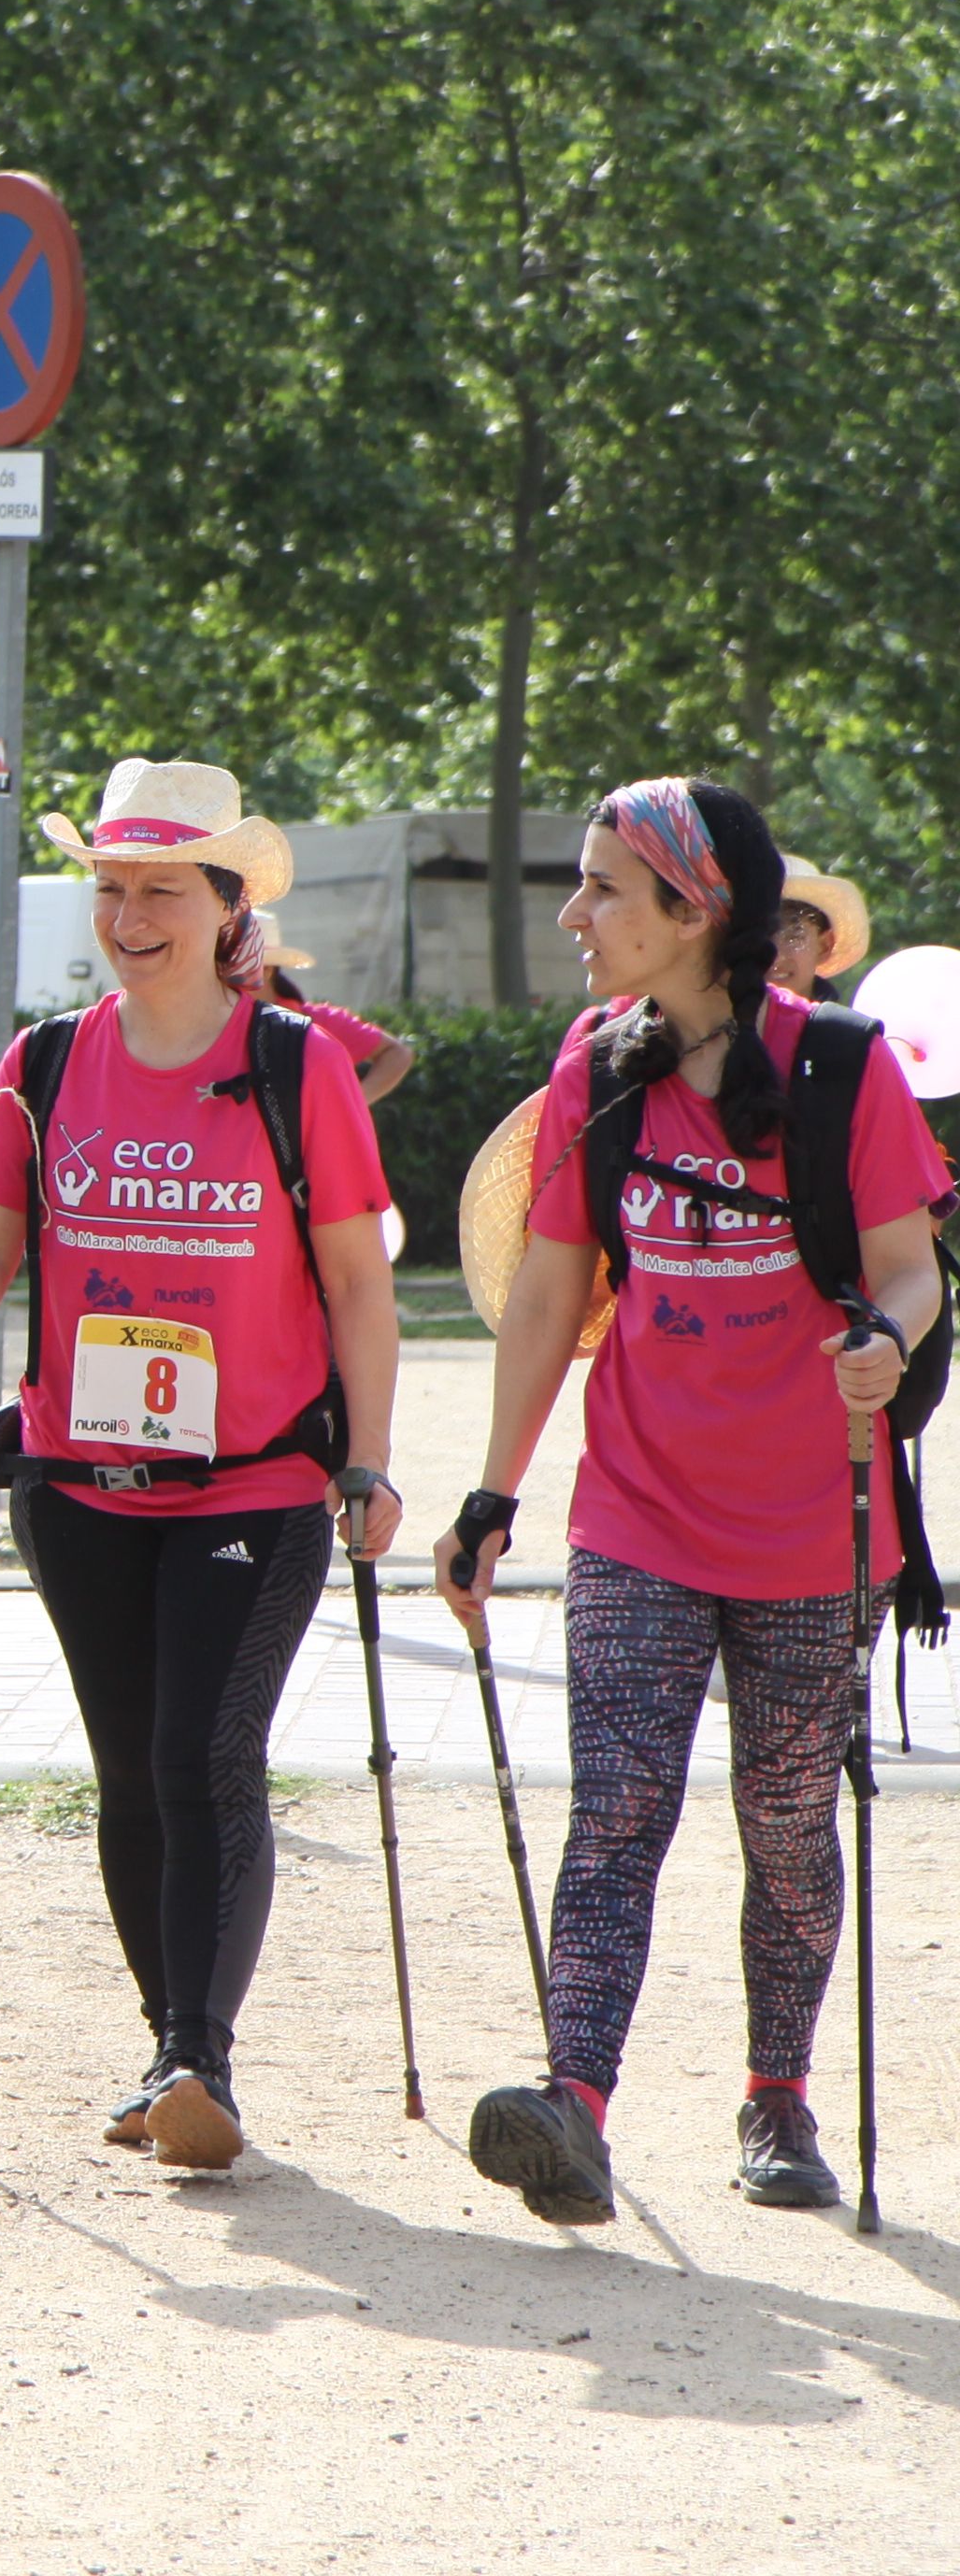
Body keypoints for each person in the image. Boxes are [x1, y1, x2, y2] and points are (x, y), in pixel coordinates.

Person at [0, 758, 402, 2173]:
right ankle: (168, 2044)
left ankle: (200, 2057)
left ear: (228, 905)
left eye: (161, 890)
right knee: (129, 1773)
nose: (129, 916)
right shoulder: (46, 1064)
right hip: (80, 1482)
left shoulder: (296, 1069)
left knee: (204, 1755)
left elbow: (360, 1284)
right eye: (110, 889)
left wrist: (370, 1461)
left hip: (254, 1486)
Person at [444, 779, 948, 2228]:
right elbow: (550, 1293)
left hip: (815, 1524)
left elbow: (913, 1271)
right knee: (616, 1810)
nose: (577, 913)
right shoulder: (595, 1069)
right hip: (638, 1517)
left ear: (695, 912)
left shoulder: (844, 1072)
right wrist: (494, 1489)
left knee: (788, 1820)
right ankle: (575, 2102)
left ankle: (777, 2094)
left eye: (605, 888)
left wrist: (886, 1344)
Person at [244, 910, 418, 1105]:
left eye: (233, 967)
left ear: (266, 970)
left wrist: (353, 1105)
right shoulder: (215, 1028)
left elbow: (397, 1054)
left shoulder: (320, 1023)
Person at [773, 855, 870, 1004]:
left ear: (824, 946)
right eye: (757, 935)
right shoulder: (727, 1025)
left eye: (794, 937)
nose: (775, 956)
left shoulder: (843, 1027)